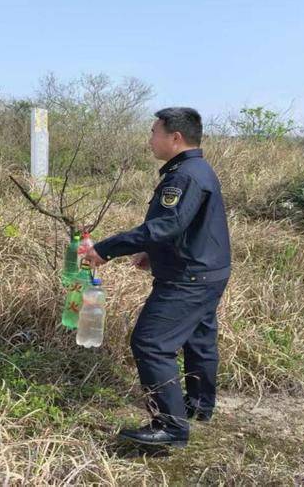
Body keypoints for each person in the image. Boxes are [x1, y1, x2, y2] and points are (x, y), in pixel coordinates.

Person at [82, 107, 231, 448]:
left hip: (188, 279)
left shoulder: (184, 176)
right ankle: (198, 406)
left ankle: (170, 428)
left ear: (174, 137)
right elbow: (187, 226)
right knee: (199, 340)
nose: (150, 139)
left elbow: (167, 224)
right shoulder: (197, 169)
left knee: (150, 343)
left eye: (154, 132)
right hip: (207, 271)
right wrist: (154, 253)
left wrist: (106, 248)